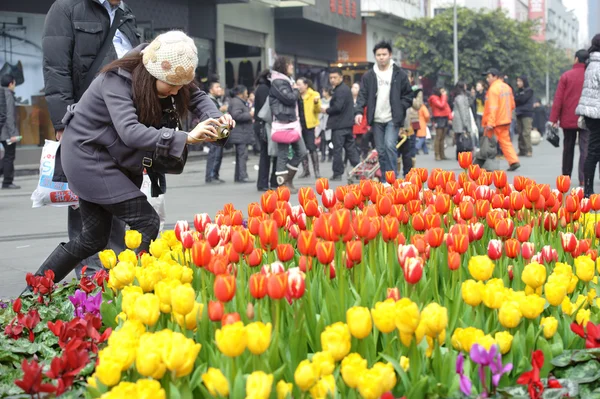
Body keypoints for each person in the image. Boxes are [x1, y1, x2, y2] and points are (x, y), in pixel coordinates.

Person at [28, 31, 232, 286]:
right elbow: (131, 132)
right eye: (171, 85)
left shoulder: (167, 67)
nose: (176, 92)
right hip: (87, 158)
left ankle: (35, 289)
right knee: (147, 221)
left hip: (111, 158)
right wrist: (186, 138)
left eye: (180, 85)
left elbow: (196, 96)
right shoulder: (117, 80)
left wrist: (216, 118)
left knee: (92, 239)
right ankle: (134, 288)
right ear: (154, 74)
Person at [42, 0, 141, 277]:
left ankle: (117, 276)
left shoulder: (125, 12)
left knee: (120, 198)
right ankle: (89, 283)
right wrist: (63, 122)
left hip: (123, 124)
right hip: (86, 122)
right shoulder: (67, 8)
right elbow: (56, 68)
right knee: (87, 206)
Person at [355, 41, 413, 176]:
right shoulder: (369, 75)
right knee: (380, 150)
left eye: (384, 54)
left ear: (390, 55)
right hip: (376, 118)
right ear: (375, 56)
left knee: (390, 146)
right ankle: (385, 179)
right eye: (378, 55)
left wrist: (400, 107)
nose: (381, 57)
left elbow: (408, 95)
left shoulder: (400, 74)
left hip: (393, 118)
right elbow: (362, 94)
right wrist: (358, 111)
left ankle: (392, 178)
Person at [550, 49, 589, 187]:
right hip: (587, 118)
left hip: (568, 118)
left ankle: (565, 178)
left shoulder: (566, 76)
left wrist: (553, 119)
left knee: (568, 148)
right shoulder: (590, 76)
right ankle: (584, 178)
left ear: (576, 59)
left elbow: (558, 99)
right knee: (585, 148)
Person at [269, 56, 307, 193]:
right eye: (289, 64)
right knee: (283, 153)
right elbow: (289, 98)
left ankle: (288, 180)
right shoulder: (279, 81)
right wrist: (296, 90)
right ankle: (282, 185)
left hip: (291, 122)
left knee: (301, 151)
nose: (292, 67)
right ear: (283, 66)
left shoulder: (286, 81)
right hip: (283, 122)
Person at [481, 68, 519, 171]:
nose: (487, 79)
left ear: (495, 76)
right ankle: (513, 161)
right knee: (505, 141)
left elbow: (492, 107)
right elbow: (512, 105)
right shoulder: (507, 87)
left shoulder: (493, 89)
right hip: (505, 119)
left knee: (487, 142)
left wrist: (490, 122)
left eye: (489, 77)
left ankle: (483, 163)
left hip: (495, 121)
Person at [326, 68, 360, 180]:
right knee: (350, 148)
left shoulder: (340, 90)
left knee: (338, 150)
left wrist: (326, 110)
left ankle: (337, 173)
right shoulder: (344, 89)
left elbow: (337, 107)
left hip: (339, 125)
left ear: (341, 77)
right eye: (331, 78)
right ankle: (359, 170)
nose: (332, 80)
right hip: (347, 124)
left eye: (335, 77)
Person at [577, 35, 600, 197]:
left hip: (591, 113)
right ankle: (588, 190)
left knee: (593, 150)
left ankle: (588, 189)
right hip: (597, 113)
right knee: (593, 151)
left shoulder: (591, 63)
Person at [254, 70, 277, 192]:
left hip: (262, 124)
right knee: (266, 154)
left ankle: (264, 182)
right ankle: (263, 183)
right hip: (264, 124)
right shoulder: (264, 88)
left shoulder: (262, 87)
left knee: (266, 154)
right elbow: (265, 110)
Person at [228, 85, 254, 183]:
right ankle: (243, 176)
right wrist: (249, 115)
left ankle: (239, 176)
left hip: (240, 133)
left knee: (240, 155)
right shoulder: (237, 102)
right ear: (241, 93)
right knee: (242, 155)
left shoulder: (237, 102)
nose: (247, 94)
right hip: (240, 133)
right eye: (246, 92)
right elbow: (236, 115)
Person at [297, 77, 322, 179]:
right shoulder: (296, 95)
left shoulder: (314, 94)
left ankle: (316, 170)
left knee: (312, 147)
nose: (297, 87)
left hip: (309, 125)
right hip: (298, 125)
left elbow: (318, 110)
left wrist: (316, 103)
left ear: (306, 85)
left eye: (299, 84)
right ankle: (306, 170)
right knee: (302, 149)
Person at [0, 75, 20, 189]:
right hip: (7, 133)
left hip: (2, 131)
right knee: (9, 156)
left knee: (6, 156)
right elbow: (9, 116)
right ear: (11, 84)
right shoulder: (8, 95)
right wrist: (13, 134)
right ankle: (7, 181)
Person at [205, 80, 228, 184]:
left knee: (218, 153)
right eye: (217, 87)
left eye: (220, 87)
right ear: (211, 90)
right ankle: (211, 175)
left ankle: (215, 175)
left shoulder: (217, 100)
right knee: (214, 153)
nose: (220, 89)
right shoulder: (209, 100)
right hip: (214, 130)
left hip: (218, 130)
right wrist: (221, 110)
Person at [429, 87, 452, 161]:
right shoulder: (434, 98)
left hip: (444, 117)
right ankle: (437, 154)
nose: (443, 92)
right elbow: (441, 105)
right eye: (442, 91)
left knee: (442, 137)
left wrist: (449, 117)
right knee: (438, 137)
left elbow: (447, 108)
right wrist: (444, 96)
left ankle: (442, 154)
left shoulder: (441, 98)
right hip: (439, 118)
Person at [452, 81, 474, 158]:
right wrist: (466, 124)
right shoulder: (460, 98)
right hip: (461, 121)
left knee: (459, 138)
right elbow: (463, 111)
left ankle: (459, 154)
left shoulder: (459, 96)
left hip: (458, 121)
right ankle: (461, 155)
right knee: (461, 139)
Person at [514, 75, 534, 157]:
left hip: (527, 113)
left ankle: (529, 150)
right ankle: (522, 150)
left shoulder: (529, 90)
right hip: (519, 113)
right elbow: (515, 100)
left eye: (520, 81)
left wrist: (518, 98)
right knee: (520, 132)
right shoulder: (518, 91)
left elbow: (522, 100)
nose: (518, 83)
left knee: (526, 133)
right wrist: (518, 98)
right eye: (517, 81)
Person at [352, 82, 370, 159]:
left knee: (363, 141)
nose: (353, 89)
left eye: (356, 88)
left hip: (363, 123)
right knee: (355, 143)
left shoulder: (364, 100)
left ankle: (364, 154)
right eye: (353, 87)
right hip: (354, 123)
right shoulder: (349, 100)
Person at [318, 88, 333, 163]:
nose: (323, 93)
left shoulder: (332, 100)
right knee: (323, 140)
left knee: (330, 141)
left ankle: (330, 155)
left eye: (324, 91)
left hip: (330, 122)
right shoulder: (321, 101)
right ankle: (323, 155)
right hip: (323, 123)